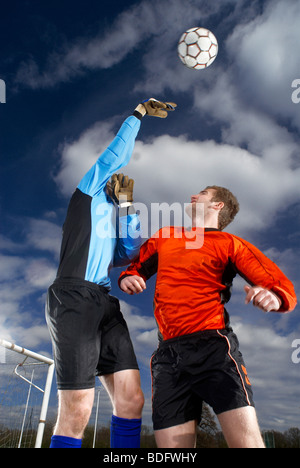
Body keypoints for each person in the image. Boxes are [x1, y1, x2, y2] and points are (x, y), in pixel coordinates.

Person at [119, 186, 297, 448]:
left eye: (202, 193)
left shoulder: (230, 244)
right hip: (167, 357)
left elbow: (278, 284)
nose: (193, 196)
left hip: (213, 348)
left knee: (246, 444)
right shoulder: (166, 236)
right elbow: (134, 269)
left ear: (218, 206)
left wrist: (275, 297)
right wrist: (129, 278)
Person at [45, 98, 176, 449]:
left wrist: (128, 208)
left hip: (104, 302)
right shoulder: (86, 194)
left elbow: (126, 253)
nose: (114, 177)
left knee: (132, 401)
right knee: (78, 410)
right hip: (73, 296)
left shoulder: (111, 210)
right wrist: (139, 114)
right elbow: (114, 156)